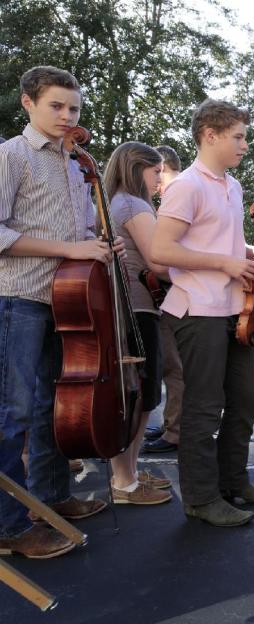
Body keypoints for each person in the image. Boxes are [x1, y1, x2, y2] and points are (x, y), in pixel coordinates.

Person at [0, 66, 112, 559]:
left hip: (65, 303)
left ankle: (50, 500)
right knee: (13, 414)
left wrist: (97, 244)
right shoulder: (11, 156)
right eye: (57, 107)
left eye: (75, 109)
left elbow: (82, 232)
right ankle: (8, 526)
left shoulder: (75, 165)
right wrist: (70, 247)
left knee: (51, 405)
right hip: (18, 299)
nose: (68, 117)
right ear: (28, 103)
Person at [151, 98, 254, 528]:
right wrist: (227, 264)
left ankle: (234, 482)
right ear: (210, 135)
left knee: (246, 399)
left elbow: (222, 243)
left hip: (231, 311)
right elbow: (161, 250)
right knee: (204, 408)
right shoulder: (187, 185)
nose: (245, 145)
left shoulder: (231, 185)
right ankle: (201, 499)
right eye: (238, 136)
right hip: (197, 309)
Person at [102, 141, 175, 504]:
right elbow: (160, 262)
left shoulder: (119, 201)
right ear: (137, 169)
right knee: (136, 397)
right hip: (136, 310)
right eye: (156, 171)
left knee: (142, 396)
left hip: (135, 308)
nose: (160, 179)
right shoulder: (132, 203)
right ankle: (124, 481)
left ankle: (129, 470)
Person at [142, 144, 183, 454]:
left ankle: (175, 430)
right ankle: (172, 423)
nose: (155, 182)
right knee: (171, 366)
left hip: (175, 296)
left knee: (174, 367)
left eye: (158, 173)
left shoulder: (176, 194)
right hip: (168, 295)